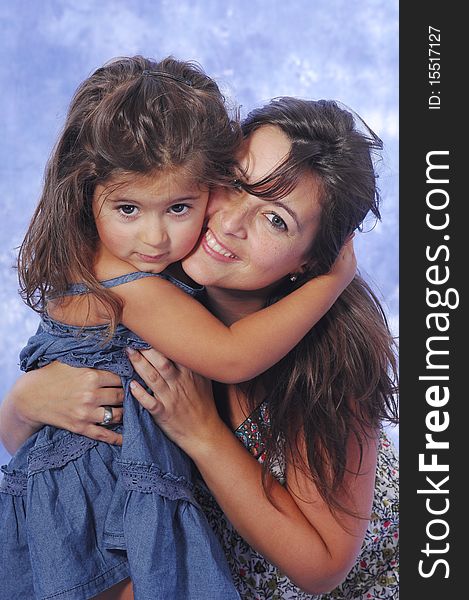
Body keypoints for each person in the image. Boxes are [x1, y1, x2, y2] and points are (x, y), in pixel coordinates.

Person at [1, 97, 399, 599]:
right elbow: (56, 464)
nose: (232, 223)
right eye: (234, 181)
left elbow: (322, 570)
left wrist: (204, 435)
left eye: (275, 220)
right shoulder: (151, 282)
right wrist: (24, 402)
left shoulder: (325, 364)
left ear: (310, 262)